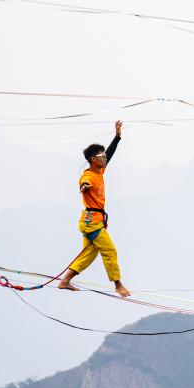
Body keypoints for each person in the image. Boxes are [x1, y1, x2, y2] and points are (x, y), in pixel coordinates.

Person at [56, 121, 131, 297]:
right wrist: (84, 187)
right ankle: (118, 284)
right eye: (101, 156)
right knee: (110, 250)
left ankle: (65, 281)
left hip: (92, 221)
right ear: (93, 160)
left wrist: (117, 137)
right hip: (92, 223)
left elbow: (110, 154)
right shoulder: (88, 176)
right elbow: (84, 183)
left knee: (89, 254)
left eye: (104, 156)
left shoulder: (100, 171)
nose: (105, 158)